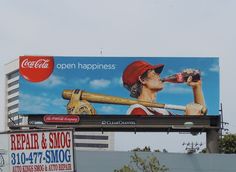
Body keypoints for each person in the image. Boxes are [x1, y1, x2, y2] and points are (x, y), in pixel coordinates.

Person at [122, 60, 206, 115]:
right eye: (154, 73)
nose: (159, 75)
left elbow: (200, 113)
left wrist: (196, 87)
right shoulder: (137, 111)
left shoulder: (162, 111)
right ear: (142, 79)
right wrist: (188, 121)